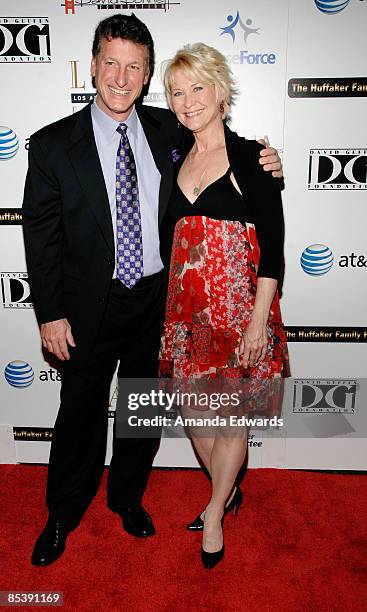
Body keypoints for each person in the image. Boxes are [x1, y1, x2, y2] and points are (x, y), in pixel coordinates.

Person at [22, 14, 283, 566]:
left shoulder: (169, 129)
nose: (122, 77)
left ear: (145, 77)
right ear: (92, 67)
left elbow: (228, 154)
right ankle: (62, 514)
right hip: (88, 307)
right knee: (80, 414)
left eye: (135, 67)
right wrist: (50, 312)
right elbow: (41, 237)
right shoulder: (51, 146)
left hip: (158, 303)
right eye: (111, 63)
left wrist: (269, 161)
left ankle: (128, 501)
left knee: (141, 411)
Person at [159, 43, 288, 569]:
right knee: (195, 413)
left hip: (239, 311)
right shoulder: (173, 152)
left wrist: (259, 319)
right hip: (187, 313)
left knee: (231, 415)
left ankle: (214, 511)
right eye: (175, 92)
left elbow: (275, 248)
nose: (187, 102)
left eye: (198, 89)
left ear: (221, 90)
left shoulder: (251, 159)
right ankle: (229, 490)